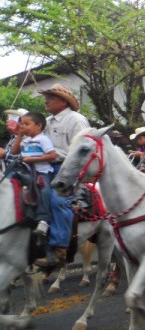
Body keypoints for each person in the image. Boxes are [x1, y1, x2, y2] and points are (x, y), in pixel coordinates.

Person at [36, 83, 90, 269]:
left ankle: (60, 248)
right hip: (45, 167)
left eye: (50, 97)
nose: (46, 100)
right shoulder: (47, 122)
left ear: (62, 101)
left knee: (58, 201)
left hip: (69, 168)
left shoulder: (76, 120)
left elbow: (84, 152)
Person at [10, 112, 56, 237]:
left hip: (42, 172)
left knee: (45, 190)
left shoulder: (43, 139)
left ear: (39, 126)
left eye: (27, 124)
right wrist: (19, 135)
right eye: (22, 124)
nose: (23, 126)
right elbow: (14, 152)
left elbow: (52, 155)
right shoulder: (26, 141)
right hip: (26, 171)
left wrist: (33, 160)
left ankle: (43, 220)